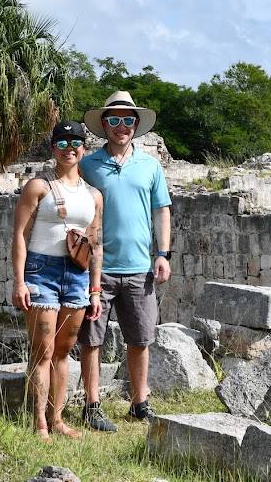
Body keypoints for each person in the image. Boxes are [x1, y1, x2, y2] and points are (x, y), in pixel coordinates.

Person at [77, 91, 172, 432]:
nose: (121, 126)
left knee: (141, 338)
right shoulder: (87, 165)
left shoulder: (149, 165)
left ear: (136, 125)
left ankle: (139, 402)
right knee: (92, 339)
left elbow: (161, 209)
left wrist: (163, 254)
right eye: (114, 119)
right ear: (104, 124)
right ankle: (91, 405)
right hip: (96, 270)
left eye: (128, 120)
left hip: (138, 268)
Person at [11, 119, 103, 441]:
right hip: (41, 271)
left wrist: (95, 289)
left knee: (63, 352)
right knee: (43, 351)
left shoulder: (94, 196)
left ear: (83, 148)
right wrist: (19, 282)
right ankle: (39, 423)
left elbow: (95, 244)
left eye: (75, 143)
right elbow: (20, 236)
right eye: (62, 143)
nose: (69, 149)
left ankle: (58, 419)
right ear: (53, 148)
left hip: (77, 275)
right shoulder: (38, 186)